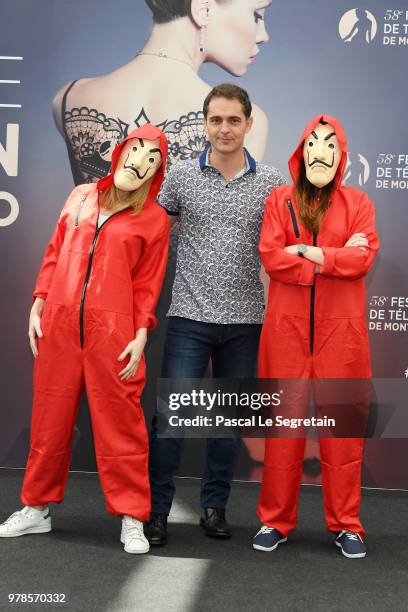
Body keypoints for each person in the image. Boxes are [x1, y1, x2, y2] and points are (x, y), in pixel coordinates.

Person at [0, 125, 170, 555]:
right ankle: (36, 508)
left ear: (158, 171)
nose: (141, 161)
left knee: (122, 426)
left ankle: (133, 517)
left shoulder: (153, 219)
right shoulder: (80, 196)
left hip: (112, 332)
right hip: (58, 323)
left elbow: (149, 282)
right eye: (137, 149)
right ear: (121, 151)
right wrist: (39, 300)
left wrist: (141, 333)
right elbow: (55, 251)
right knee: (49, 421)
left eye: (153, 157)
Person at [145, 83, 285, 546]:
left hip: (246, 321)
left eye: (233, 120)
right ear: (204, 124)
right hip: (188, 317)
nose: (224, 129)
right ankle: (158, 512)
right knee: (171, 422)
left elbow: (286, 244)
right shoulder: (181, 177)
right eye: (215, 120)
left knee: (227, 426)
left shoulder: (270, 182)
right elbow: (147, 234)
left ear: (248, 123)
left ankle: (213, 508)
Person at [252, 115, 380, 559]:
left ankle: (347, 524)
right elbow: (271, 257)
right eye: (313, 142)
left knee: (342, 429)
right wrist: (332, 259)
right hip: (285, 330)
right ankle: (275, 520)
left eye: (330, 144)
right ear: (301, 151)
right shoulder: (278, 199)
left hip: (340, 333)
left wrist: (306, 251)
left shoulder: (358, 202)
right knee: (282, 428)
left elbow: (362, 260)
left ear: (340, 154)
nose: (319, 151)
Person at [52, 0, 272, 184]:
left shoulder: (69, 97)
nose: (264, 35)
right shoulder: (246, 121)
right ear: (202, 9)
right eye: (257, 15)